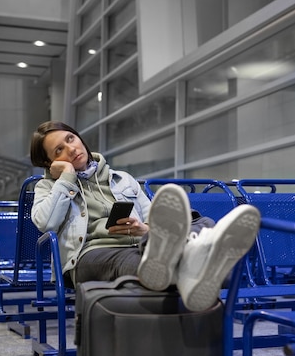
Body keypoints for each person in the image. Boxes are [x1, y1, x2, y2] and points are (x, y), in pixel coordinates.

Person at [30, 121, 260, 312]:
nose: (70, 149)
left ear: (79, 138)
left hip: (141, 244)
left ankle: (185, 260)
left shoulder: (122, 178)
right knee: (147, 261)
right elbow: (45, 222)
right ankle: (198, 254)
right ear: (50, 162)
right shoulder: (47, 187)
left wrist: (144, 229)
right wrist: (67, 178)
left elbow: (153, 217)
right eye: (58, 150)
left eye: (70, 139)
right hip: (92, 255)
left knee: (202, 221)